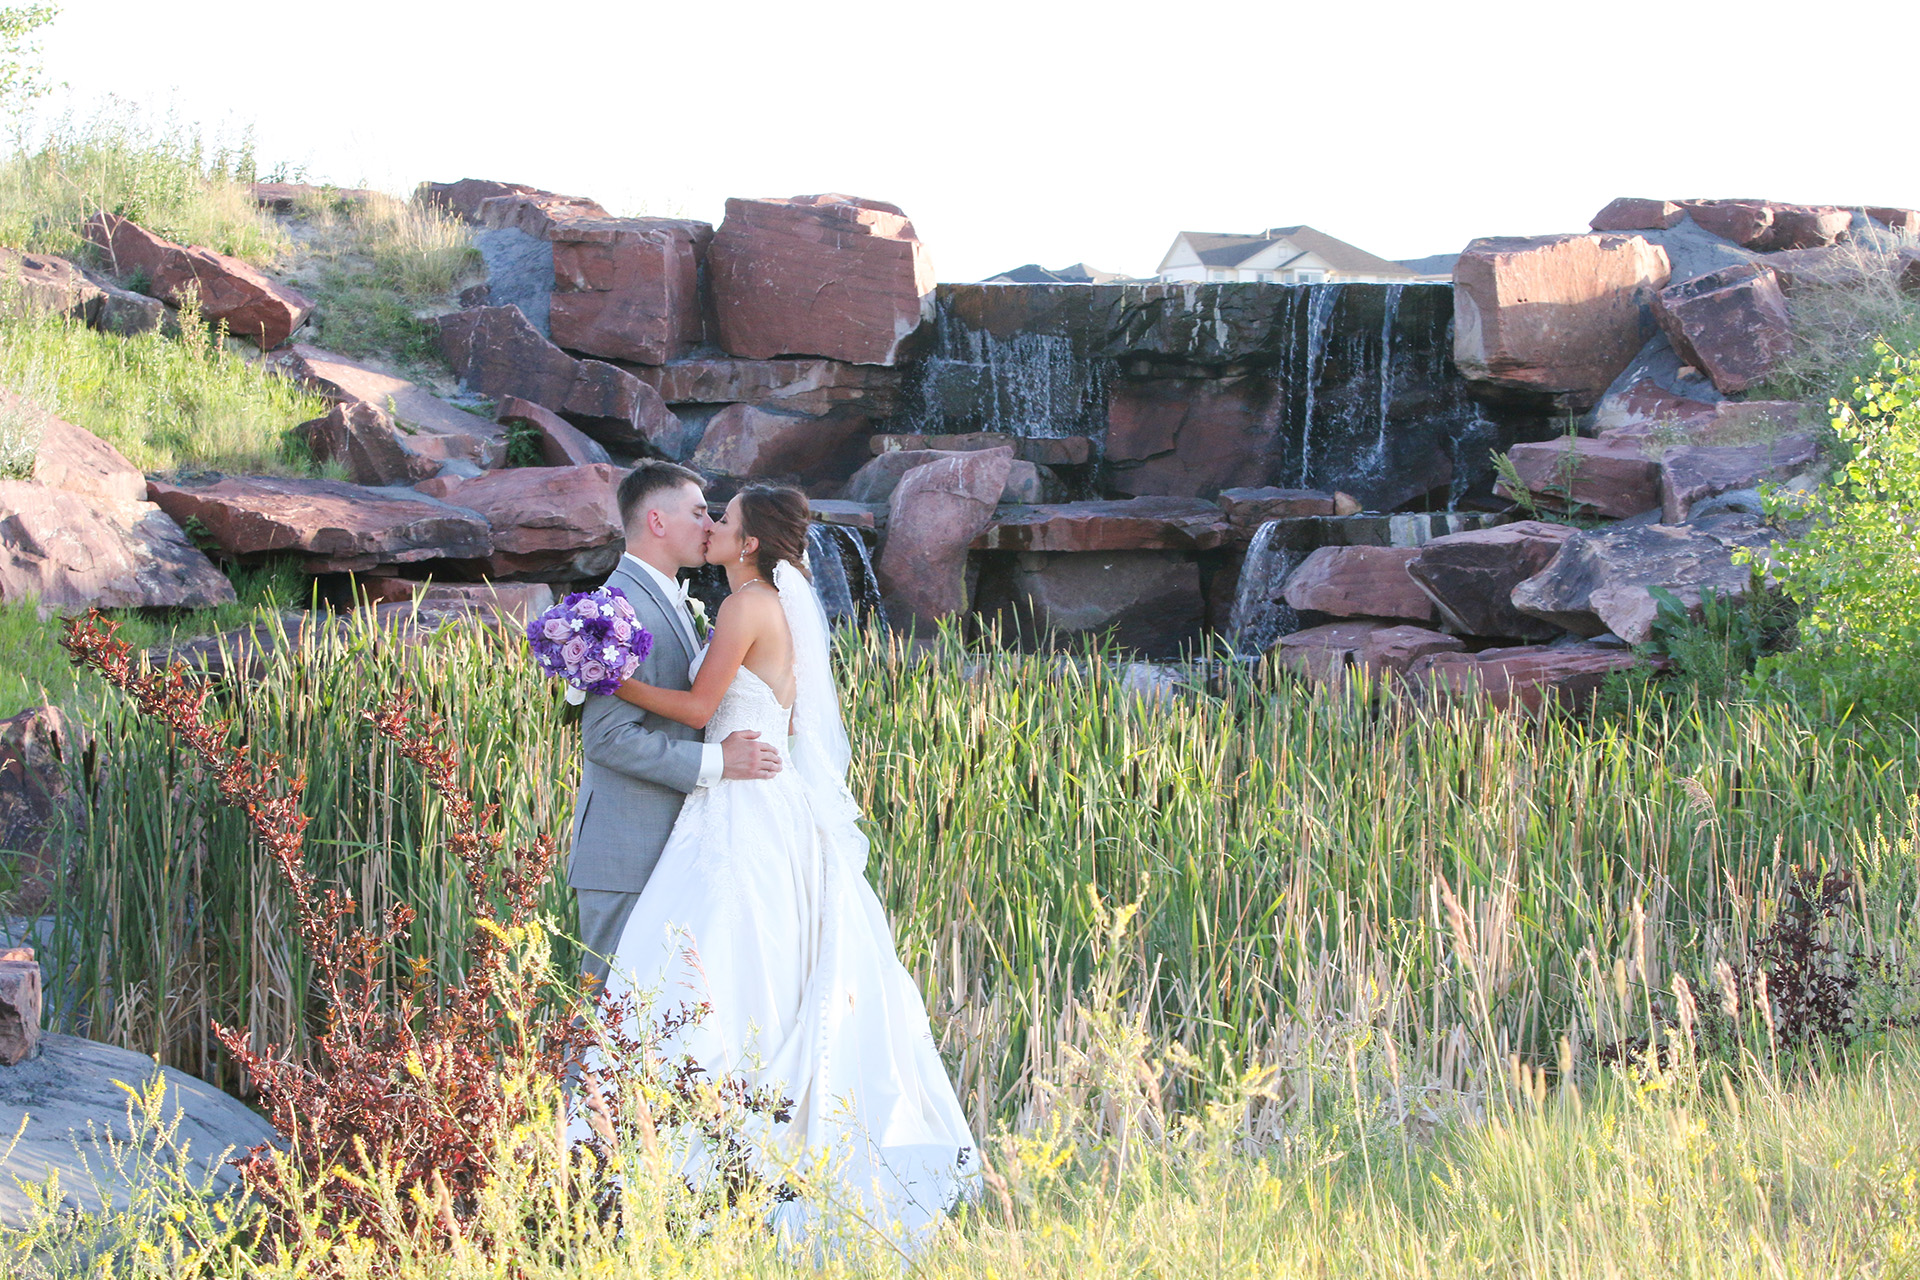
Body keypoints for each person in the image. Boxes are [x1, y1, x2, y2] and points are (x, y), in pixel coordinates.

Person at [594, 482, 979, 1250]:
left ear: (747, 544)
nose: (711, 526)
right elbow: (787, 715)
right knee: (745, 957)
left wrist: (605, 679)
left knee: (713, 958)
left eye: (723, 519)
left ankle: (698, 1144)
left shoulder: (744, 606)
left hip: (742, 803)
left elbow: (703, 711)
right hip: (765, 800)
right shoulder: (771, 605)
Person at [567, 461, 783, 992]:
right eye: (697, 512)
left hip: (682, 849)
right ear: (658, 522)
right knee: (607, 1022)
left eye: (714, 516)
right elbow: (606, 738)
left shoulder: (675, 601)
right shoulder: (616, 608)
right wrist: (718, 763)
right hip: (628, 854)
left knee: (657, 1028)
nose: (709, 525)